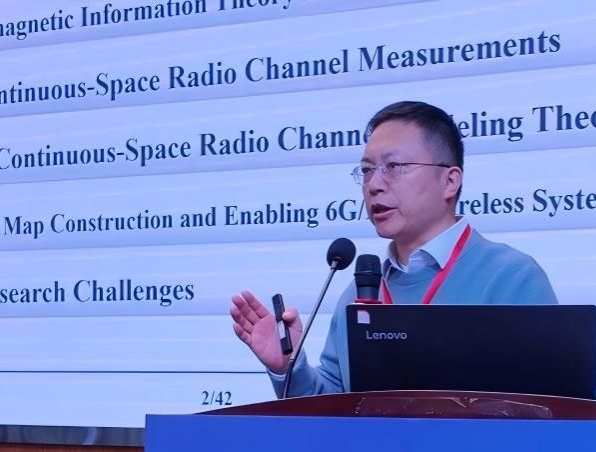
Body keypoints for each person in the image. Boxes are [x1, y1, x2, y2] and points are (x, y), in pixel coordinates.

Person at [230, 100, 557, 397]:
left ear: (450, 181)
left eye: (394, 166)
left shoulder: (511, 278)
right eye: (367, 170)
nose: (374, 185)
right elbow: (332, 409)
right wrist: (288, 367)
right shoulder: (359, 293)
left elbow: (549, 411)